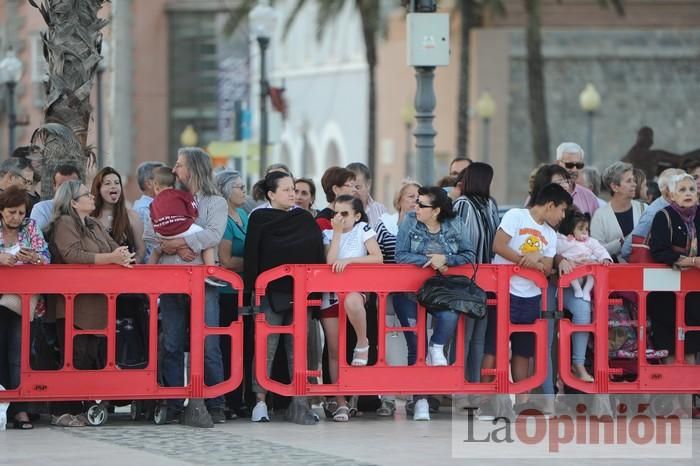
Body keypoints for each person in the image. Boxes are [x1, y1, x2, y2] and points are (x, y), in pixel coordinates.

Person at [143, 147, 227, 424]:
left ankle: (215, 403)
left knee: (209, 343)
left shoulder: (215, 201)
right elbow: (150, 234)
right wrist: (167, 244)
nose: (175, 169)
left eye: (179, 165)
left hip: (204, 280)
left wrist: (179, 243)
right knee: (172, 342)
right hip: (171, 278)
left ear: (193, 168)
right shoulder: (164, 197)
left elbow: (214, 233)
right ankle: (173, 402)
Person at [46, 180, 135, 427]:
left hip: (97, 300)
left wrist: (122, 256)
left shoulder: (94, 223)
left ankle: (83, 406)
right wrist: (112, 258)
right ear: (73, 202)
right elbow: (72, 254)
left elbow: (115, 248)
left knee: (88, 354)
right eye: (86, 194)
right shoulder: (65, 223)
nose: (92, 197)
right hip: (73, 301)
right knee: (71, 355)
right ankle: (62, 410)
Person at [479, 183, 571, 419]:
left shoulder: (550, 234)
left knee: (523, 350)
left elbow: (547, 268)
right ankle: (485, 401)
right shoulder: (516, 216)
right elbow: (498, 245)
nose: (562, 216)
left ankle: (522, 400)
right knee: (494, 345)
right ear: (550, 205)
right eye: (561, 210)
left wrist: (537, 261)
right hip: (504, 291)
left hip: (531, 297)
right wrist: (524, 260)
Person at [244, 171, 325, 424]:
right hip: (269, 293)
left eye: (294, 189)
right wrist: (252, 295)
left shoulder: (304, 218)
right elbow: (252, 257)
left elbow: (315, 254)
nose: (293, 194)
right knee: (266, 348)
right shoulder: (259, 218)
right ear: (271, 194)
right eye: (287, 190)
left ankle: (299, 402)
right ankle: (260, 403)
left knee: (298, 349)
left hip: (303, 294)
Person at [396, 186, 475, 421]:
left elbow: (469, 254)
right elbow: (400, 255)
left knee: (451, 315)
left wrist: (447, 259)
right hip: (408, 291)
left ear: (437, 210)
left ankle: (437, 346)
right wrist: (431, 261)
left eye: (422, 205)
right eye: (416, 202)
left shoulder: (456, 223)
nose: (415, 207)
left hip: (443, 290)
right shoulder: (409, 221)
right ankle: (419, 400)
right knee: (415, 344)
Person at [319, 195, 383, 421]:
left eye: (345, 213)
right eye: (336, 212)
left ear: (357, 216)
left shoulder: (363, 228)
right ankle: (340, 402)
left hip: (356, 289)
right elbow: (329, 262)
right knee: (334, 350)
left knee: (353, 303)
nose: (339, 217)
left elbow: (377, 257)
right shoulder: (327, 233)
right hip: (330, 295)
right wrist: (336, 234)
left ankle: (362, 341)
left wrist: (351, 262)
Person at [0, 186, 50, 430]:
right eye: (11, 212)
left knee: (18, 353)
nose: (16, 218)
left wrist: (34, 258)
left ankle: (21, 410)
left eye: (20, 213)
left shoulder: (30, 226)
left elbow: (45, 254)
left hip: (21, 300)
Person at [372, 179, 421, 417]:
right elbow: (378, 253)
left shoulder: (426, 224)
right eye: (411, 196)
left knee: (416, 341)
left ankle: (415, 395)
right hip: (389, 293)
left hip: (417, 293)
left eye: (418, 197)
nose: (415, 201)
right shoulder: (385, 223)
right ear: (399, 199)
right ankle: (388, 397)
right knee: (390, 343)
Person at [453, 162, 500, 383]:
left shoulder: (490, 204)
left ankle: (473, 386)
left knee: (479, 336)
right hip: (467, 277)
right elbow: (457, 237)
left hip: (487, 276)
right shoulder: (462, 204)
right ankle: (458, 385)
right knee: (465, 335)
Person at [648, 173, 700, 363]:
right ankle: (672, 393)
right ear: (672, 195)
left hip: (694, 294)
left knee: (691, 347)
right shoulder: (663, 216)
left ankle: (687, 394)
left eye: (692, 189)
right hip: (665, 292)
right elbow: (659, 251)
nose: (688, 193)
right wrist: (692, 262)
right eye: (682, 190)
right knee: (670, 347)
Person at [556, 209, 612, 381]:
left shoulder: (590, 242)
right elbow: (552, 252)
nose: (584, 233)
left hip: (582, 283)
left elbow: (600, 250)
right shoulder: (560, 240)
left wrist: (604, 260)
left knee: (583, 310)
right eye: (581, 229)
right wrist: (563, 260)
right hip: (560, 285)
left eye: (586, 229)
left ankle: (578, 363)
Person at [215, 170, 252, 419]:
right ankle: (228, 399)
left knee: (246, 346)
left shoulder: (244, 215)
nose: (244, 190)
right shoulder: (222, 219)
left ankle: (242, 398)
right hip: (227, 292)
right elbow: (226, 260)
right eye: (239, 187)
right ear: (227, 190)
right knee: (229, 346)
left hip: (246, 289)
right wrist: (253, 262)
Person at [147, 167, 220, 283]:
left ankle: (148, 273)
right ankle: (210, 270)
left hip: (161, 232)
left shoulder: (152, 203)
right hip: (182, 228)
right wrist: (190, 217)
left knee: (156, 250)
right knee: (205, 237)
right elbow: (193, 211)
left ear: (156, 186)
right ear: (175, 183)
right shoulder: (181, 195)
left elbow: (152, 220)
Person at [620, 168, 685, 261]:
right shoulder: (654, 214)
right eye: (682, 188)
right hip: (656, 272)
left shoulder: (684, 209)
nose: (688, 193)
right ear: (667, 190)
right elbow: (627, 249)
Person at [591, 161, 646, 260]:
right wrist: (622, 242)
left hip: (643, 271)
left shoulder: (644, 208)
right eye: (629, 181)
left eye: (634, 180)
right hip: (614, 272)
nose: (634, 184)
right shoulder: (600, 216)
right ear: (614, 187)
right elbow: (596, 251)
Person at [91, 167, 145, 264]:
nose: (113, 186)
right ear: (98, 189)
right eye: (107, 183)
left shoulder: (132, 216)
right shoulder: (89, 217)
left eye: (117, 183)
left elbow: (141, 250)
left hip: (125, 273)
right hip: (97, 273)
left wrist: (133, 263)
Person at [30, 164, 80, 231]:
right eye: (62, 186)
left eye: (72, 186)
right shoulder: (42, 209)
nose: (67, 190)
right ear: (54, 186)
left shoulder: (87, 207)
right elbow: (35, 237)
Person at [554, 142, 599, 215]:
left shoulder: (589, 197)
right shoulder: (540, 194)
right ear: (557, 164)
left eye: (579, 165)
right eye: (569, 165)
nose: (574, 170)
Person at [132, 161, 164, 261]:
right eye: (163, 178)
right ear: (149, 184)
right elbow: (148, 245)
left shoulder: (159, 205)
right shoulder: (143, 210)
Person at [346, 162, 387, 229]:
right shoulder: (339, 212)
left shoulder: (381, 211)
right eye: (349, 187)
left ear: (368, 185)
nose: (353, 191)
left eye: (357, 187)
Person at [316, 166, 357, 231]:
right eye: (350, 185)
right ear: (336, 189)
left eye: (355, 186)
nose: (355, 190)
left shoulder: (355, 215)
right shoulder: (323, 221)